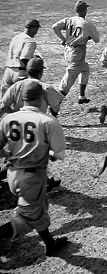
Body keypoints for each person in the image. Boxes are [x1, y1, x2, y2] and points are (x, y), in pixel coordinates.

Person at [0, 81, 68, 256]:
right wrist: (47, 152)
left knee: (39, 208)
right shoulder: (47, 121)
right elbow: (59, 154)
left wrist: (10, 154)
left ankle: (50, 244)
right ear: (41, 98)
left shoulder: (7, 119)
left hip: (12, 174)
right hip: (32, 177)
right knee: (27, 218)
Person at [52, 1, 100, 103]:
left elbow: (55, 27)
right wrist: (88, 36)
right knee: (70, 77)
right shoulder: (87, 24)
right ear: (85, 11)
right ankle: (56, 101)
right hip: (78, 52)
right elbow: (97, 39)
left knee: (85, 69)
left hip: (68, 50)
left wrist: (63, 39)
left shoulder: (69, 20)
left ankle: (82, 97)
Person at [1, 19, 41, 97]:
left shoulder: (16, 37)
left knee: (5, 100)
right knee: (22, 100)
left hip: (8, 72)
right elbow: (24, 58)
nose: (36, 32)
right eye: (37, 29)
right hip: (20, 73)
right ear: (34, 28)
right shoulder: (30, 41)